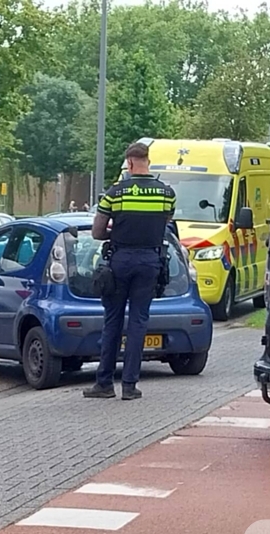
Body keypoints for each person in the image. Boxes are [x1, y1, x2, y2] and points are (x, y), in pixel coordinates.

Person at [83, 142, 176, 401]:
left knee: (112, 321)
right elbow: (165, 223)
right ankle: (130, 386)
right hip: (150, 261)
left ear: (130, 163)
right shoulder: (166, 193)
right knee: (138, 322)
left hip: (120, 261)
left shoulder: (116, 193)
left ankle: (104, 383)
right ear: (147, 160)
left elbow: (97, 232)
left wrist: (119, 232)